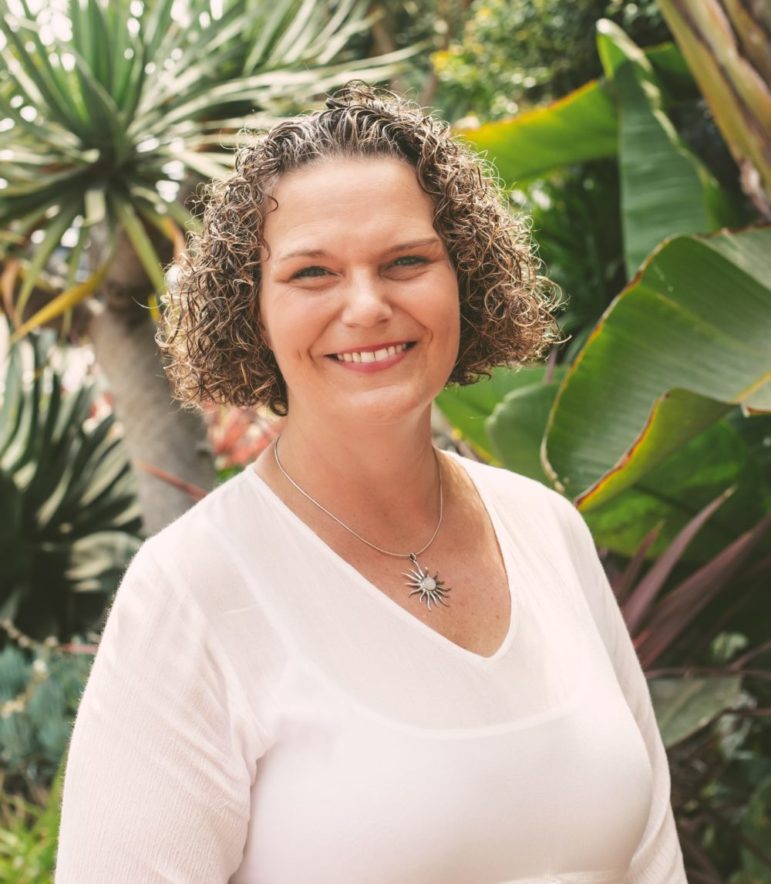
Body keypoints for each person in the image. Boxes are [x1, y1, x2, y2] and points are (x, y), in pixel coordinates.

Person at [55, 82, 687, 883]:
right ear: (250, 310)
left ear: (466, 276)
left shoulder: (545, 529)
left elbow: (651, 861)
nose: (366, 305)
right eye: (312, 272)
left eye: (406, 261)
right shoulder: (192, 594)